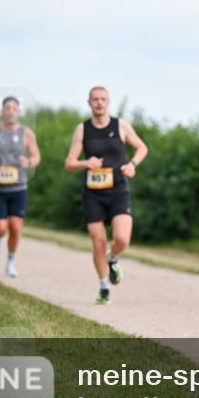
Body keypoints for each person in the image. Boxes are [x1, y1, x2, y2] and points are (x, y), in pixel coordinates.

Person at [64, 86, 148, 304]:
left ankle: (113, 258)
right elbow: (69, 163)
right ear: (89, 103)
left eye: (103, 99)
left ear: (108, 102)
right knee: (98, 241)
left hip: (118, 191)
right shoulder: (82, 130)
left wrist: (132, 165)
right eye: (95, 99)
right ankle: (104, 288)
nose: (99, 103)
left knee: (121, 238)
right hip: (93, 195)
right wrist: (85, 162)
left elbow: (142, 148)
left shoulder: (120, 125)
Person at [0, 96, 41, 278]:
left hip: (18, 188)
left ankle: (10, 262)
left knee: (16, 226)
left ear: (18, 112)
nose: (11, 111)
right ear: (2, 111)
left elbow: (36, 156)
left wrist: (28, 161)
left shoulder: (26, 133)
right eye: (7, 108)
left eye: (14, 108)